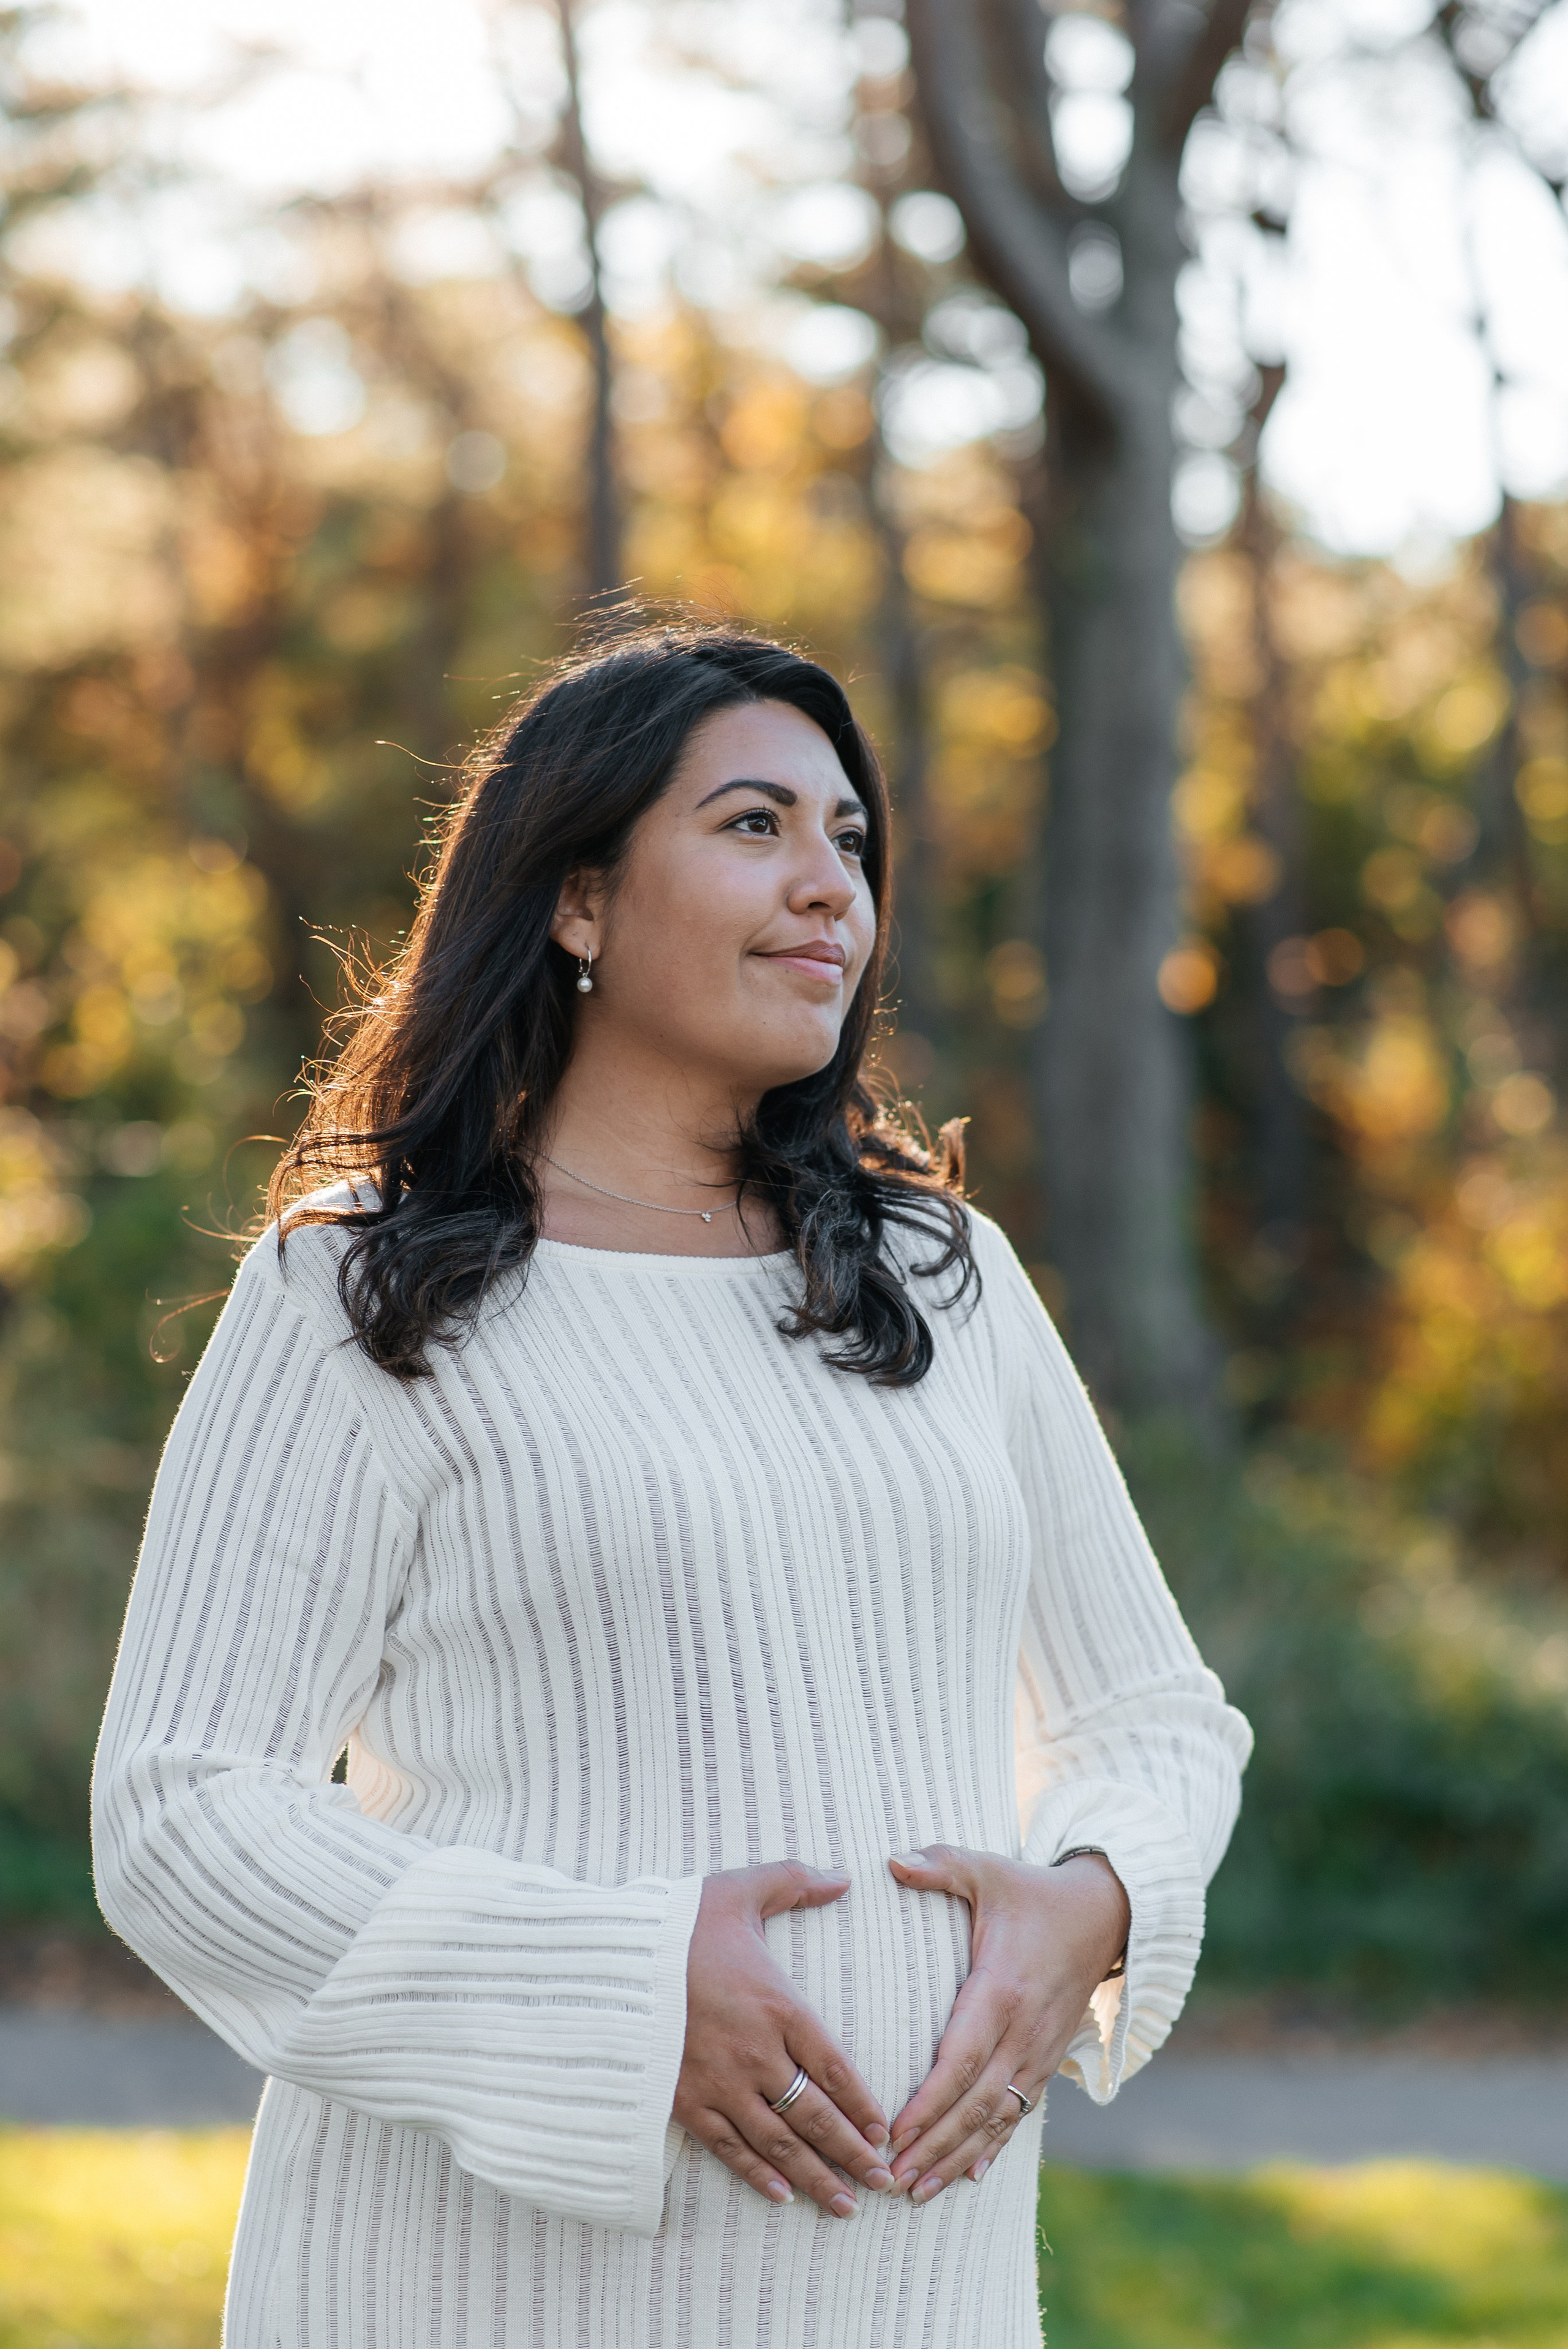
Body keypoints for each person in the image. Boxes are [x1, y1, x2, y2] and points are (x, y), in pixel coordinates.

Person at [92, 622, 1251, 2348]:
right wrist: (624, 1993)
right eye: (753, 826)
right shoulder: (357, 1292)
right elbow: (182, 1809)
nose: (827, 890)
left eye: (850, 841)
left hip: (906, 2288)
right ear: (575, 900)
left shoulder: (941, 1275)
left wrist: (1095, 1903)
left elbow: (1156, 1721)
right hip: (473, 2290)